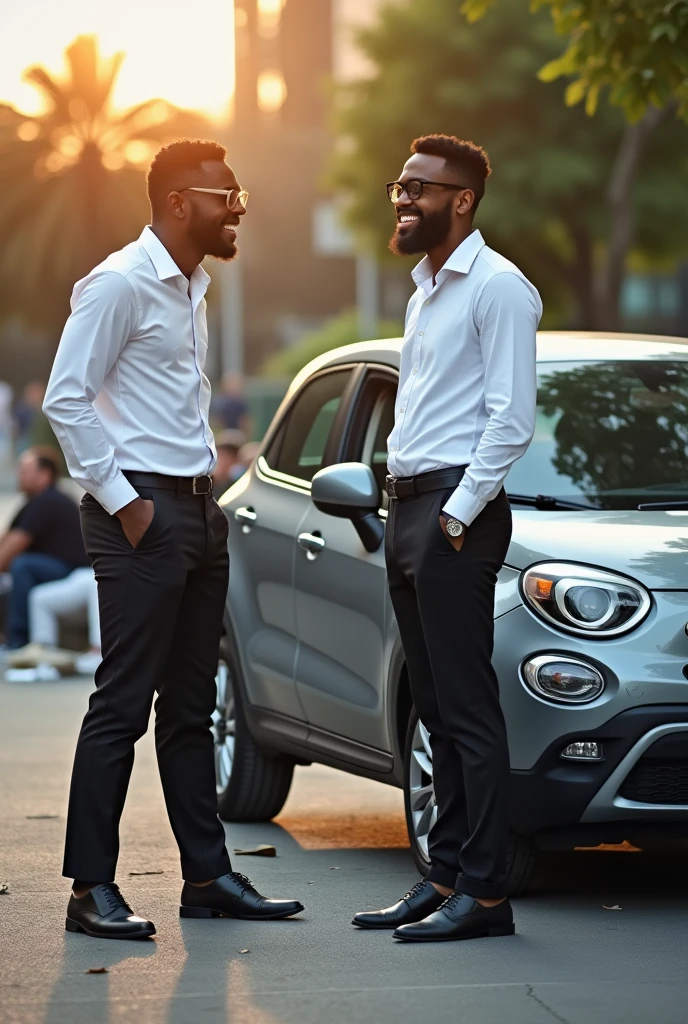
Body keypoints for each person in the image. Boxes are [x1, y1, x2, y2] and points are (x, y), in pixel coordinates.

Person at [43, 139, 304, 941]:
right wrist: (127, 507)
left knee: (192, 709)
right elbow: (65, 399)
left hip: (196, 511)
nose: (237, 211)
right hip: (142, 517)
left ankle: (207, 876)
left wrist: (203, 505)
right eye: (228, 198)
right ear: (180, 202)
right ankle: (91, 887)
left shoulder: (191, 286)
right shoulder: (120, 283)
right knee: (121, 705)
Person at [352, 135, 541, 943]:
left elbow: (511, 419)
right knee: (431, 704)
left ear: (462, 200)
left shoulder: (499, 288)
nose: (403, 197)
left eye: (420, 188)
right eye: (401, 183)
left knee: (467, 708)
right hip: (409, 508)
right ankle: (446, 876)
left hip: (454, 514)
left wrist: (457, 517)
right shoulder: (426, 288)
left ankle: (487, 895)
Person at [0, 447, 88, 650]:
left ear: (44, 474)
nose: (19, 475)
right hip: (55, 567)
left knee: (22, 566)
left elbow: (10, 551)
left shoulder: (48, 501)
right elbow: (7, 539)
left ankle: (18, 642)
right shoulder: (33, 502)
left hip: (73, 570)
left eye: (24, 470)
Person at [5, 566, 101, 679]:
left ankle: (98, 652)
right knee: (38, 596)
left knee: (97, 580)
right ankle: (44, 655)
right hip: (81, 572)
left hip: (107, 574)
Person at [212, 428, 247, 493]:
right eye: (221, 454)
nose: (224, 460)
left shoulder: (242, 481)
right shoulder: (208, 480)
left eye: (229, 455)